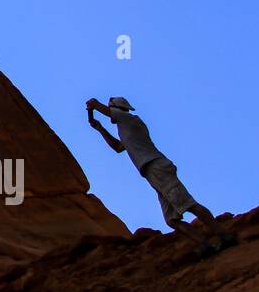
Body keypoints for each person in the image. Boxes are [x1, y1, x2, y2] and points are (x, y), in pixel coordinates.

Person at [86, 96, 236, 257]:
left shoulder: (129, 119)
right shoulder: (126, 129)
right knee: (172, 220)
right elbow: (118, 147)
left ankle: (224, 235)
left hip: (156, 167)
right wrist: (100, 129)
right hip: (152, 172)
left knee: (189, 204)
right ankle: (205, 245)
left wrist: (94, 105)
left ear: (116, 109)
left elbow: (105, 110)